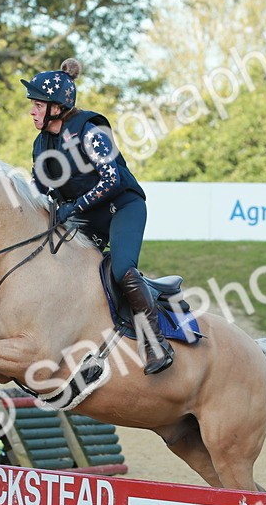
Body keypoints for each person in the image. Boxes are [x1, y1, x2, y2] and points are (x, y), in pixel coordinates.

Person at [22, 57, 171, 375]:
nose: (32, 111)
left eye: (37, 104)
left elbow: (112, 180)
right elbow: (41, 190)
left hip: (123, 209)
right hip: (88, 217)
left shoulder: (89, 132)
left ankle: (156, 342)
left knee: (122, 270)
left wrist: (72, 208)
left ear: (56, 106)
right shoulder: (41, 144)